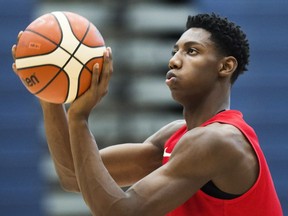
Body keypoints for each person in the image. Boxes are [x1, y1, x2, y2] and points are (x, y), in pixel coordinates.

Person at [12, 13, 282, 216]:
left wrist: (79, 118)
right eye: (174, 50)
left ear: (225, 66)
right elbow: (73, 176)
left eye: (192, 51)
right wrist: (49, 96)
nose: (174, 60)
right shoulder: (177, 136)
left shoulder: (220, 141)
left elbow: (121, 211)